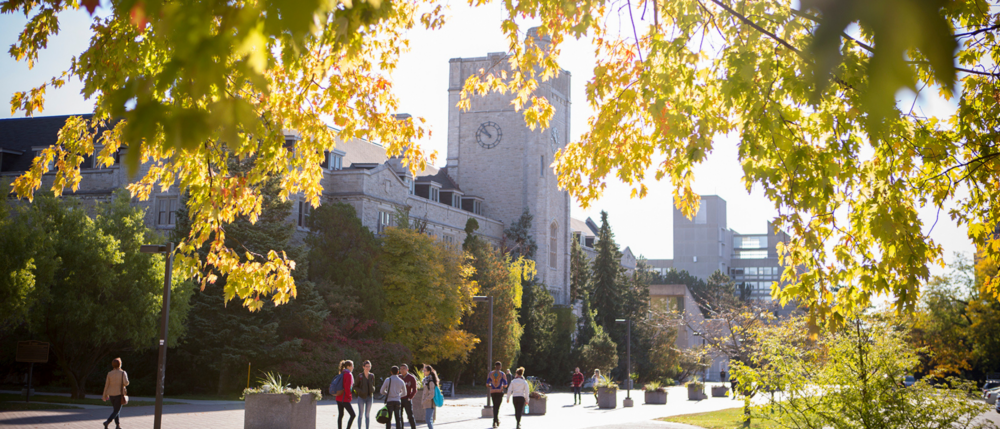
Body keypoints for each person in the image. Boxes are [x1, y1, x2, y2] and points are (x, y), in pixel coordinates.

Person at [101, 357, 129, 429]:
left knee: (116, 410)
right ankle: (107, 422)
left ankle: (117, 425)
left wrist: (104, 395)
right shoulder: (123, 373)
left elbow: (106, 385)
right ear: (120, 364)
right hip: (119, 394)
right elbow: (126, 383)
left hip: (111, 395)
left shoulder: (110, 373)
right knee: (117, 410)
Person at [487, 361, 508, 428]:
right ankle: (495, 421)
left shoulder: (490, 373)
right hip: (499, 392)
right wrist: (502, 386)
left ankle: (496, 420)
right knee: (497, 407)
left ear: (495, 366)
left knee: (494, 406)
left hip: (493, 392)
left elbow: (487, 384)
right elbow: (505, 385)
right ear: (500, 367)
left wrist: (491, 386)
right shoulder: (502, 374)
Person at [355, 360, 376, 429]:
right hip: (361, 397)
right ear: (363, 367)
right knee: (360, 414)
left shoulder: (372, 376)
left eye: (369, 366)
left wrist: (373, 389)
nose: (368, 368)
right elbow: (355, 387)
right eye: (366, 366)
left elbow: (373, 385)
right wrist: (360, 391)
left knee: (367, 415)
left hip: (369, 397)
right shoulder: (360, 376)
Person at [337, 360, 356, 429]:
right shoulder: (348, 374)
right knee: (353, 415)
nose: (353, 367)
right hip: (344, 398)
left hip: (338, 397)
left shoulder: (341, 373)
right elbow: (347, 387)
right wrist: (349, 397)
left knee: (340, 415)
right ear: (348, 367)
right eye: (352, 366)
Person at [421, 364, 440, 429]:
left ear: (429, 371)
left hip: (430, 403)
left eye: (425, 370)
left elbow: (432, 393)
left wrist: (426, 400)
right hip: (428, 403)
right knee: (429, 419)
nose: (423, 372)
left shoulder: (430, 381)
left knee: (428, 419)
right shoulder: (426, 380)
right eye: (423, 370)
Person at [399, 364, 417, 429]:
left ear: (407, 369)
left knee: (410, 416)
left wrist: (410, 398)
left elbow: (414, 390)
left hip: (407, 399)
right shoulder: (398, 377)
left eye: (404, 369)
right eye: (401, 369)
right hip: (399, 399)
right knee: (399, 416)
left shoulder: (411, 378)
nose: (402, 370)